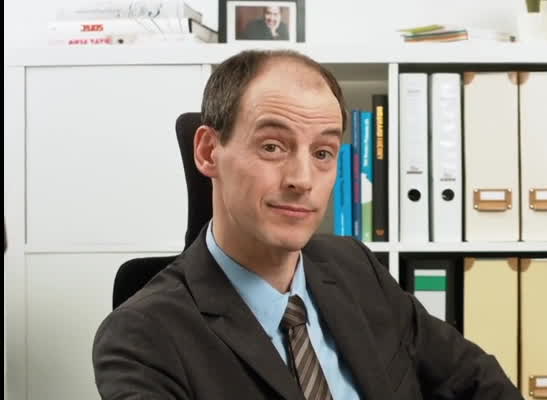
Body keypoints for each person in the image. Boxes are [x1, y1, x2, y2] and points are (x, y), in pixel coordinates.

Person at [92, 49, 523, 399]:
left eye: (322, 153)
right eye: (273, 146)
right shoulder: (141, 338)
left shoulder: (354, 266)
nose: (302, 180)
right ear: (208, 152)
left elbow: (474, 380)